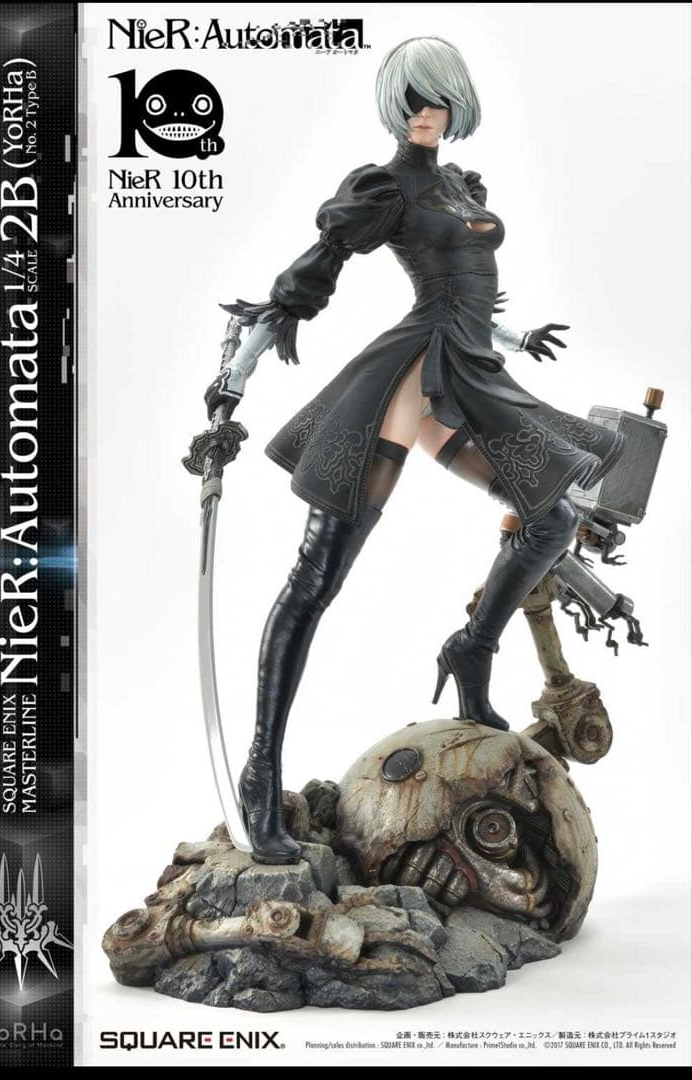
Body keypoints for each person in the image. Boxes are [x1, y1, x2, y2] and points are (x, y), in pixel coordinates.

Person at [204, 36, 626, 865]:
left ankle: (472, 647)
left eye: (437, 100)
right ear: (394, 108)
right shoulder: (386, 187)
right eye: (411, 101)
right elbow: (307, 281)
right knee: (317, 577)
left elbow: (467, 281)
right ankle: (261, 768)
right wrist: (232, 382)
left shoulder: (459, 184)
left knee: (553, 517)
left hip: (471, 369)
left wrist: (515, 334)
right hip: (411, 377)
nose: (425, 114)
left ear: (457, 103)